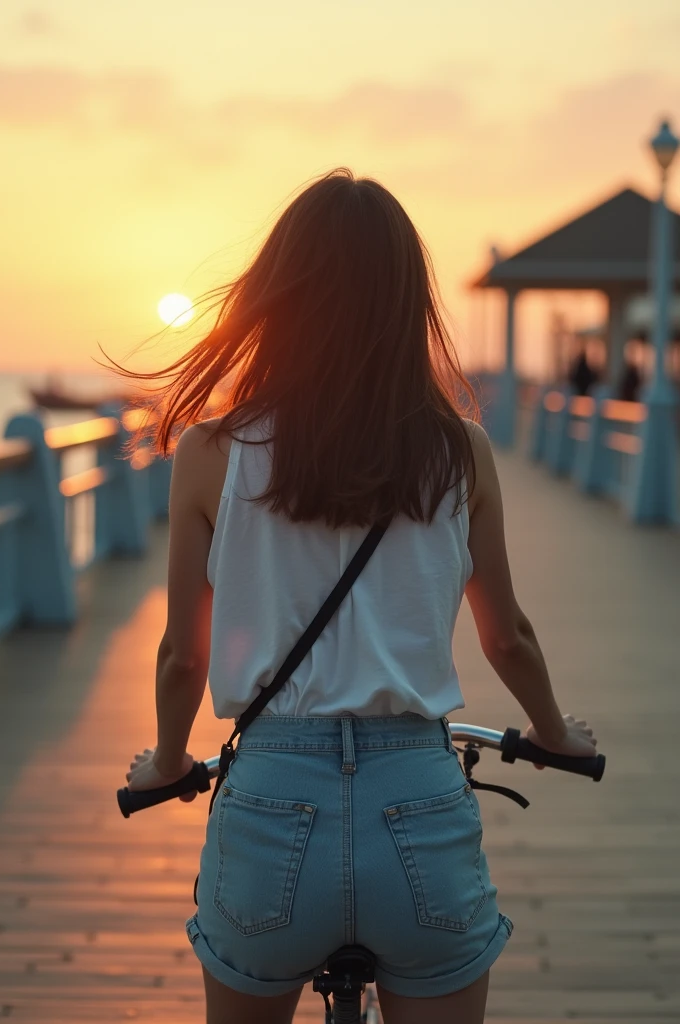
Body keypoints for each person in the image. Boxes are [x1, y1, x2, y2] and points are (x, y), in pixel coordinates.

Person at [124, 169, 597, 1024]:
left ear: (277, 297)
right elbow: (509, 638)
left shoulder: (211, 451)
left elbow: (183, 654)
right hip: (415, 801)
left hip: (269, 805)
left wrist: (166, 760)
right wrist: (556, 734)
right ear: (405, 303)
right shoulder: (461, 452)